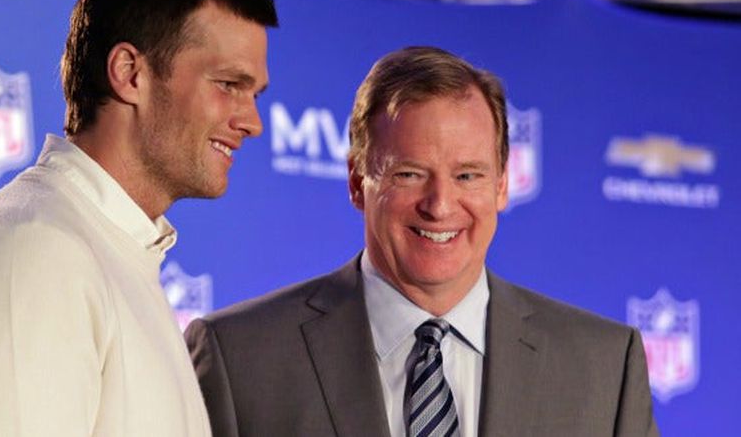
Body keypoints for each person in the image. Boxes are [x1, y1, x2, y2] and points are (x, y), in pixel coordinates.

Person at [185, 47, 658, 437]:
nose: (440, 205)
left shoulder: (604, 367)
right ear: (357, 182)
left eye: (468, 175)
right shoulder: (241, 358)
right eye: (409, 174)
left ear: (501, 186)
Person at [0, 0, 277, 435]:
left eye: (255, 94)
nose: (252, 122)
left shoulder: (110, 248)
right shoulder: (39, 247)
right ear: (130, 73)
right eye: (229, 85)